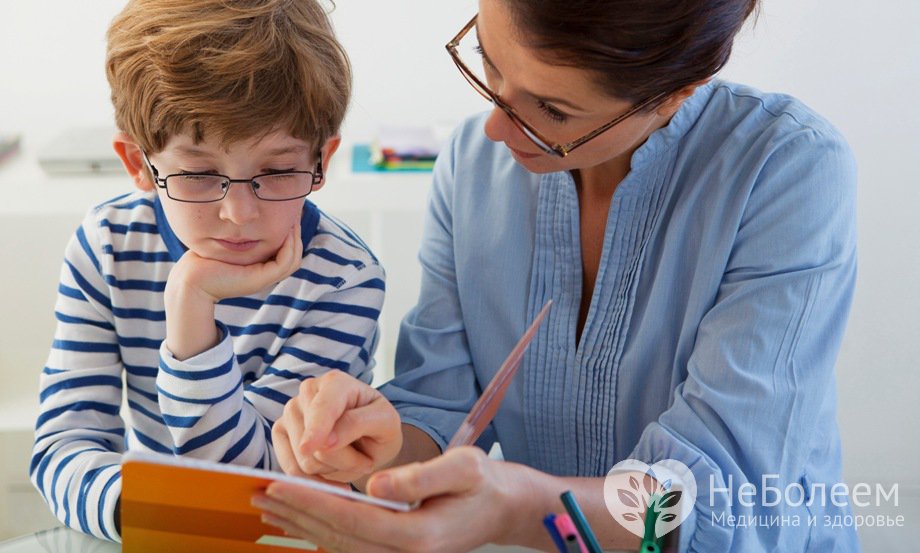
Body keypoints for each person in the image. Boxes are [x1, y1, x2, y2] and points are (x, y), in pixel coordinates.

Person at [257, 0, 859, 551]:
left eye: (552, 110)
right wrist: (374, 446)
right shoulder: (472, 163)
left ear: (677, 93)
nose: (495, 129)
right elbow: (438, 406)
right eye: (488, 62)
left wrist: (518, 509)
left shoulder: (784, 169)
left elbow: (715, 499)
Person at [29, 0, 386, 542]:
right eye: (198, 174)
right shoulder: (108, 243)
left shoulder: (344, 278)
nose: (238, 213)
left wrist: (191, 304)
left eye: (277, 170)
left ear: (321, 162)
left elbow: (255, 487)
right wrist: (144, 509)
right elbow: (65, 440)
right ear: (139, 164)